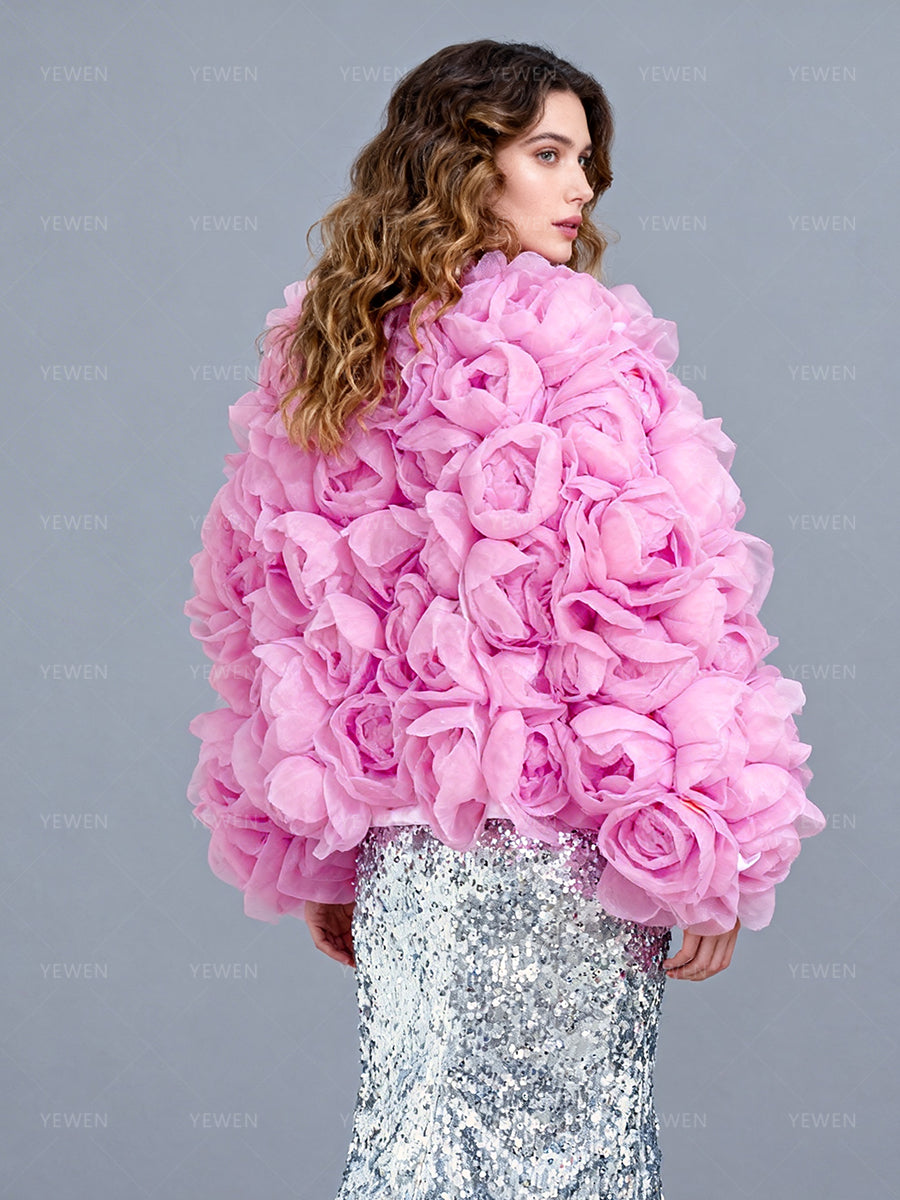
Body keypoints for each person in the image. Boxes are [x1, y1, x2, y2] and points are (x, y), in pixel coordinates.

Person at [184, 39, 826, 1199]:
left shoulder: (331, 354)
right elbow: (659, 611)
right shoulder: (580, 340)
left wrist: (326, 852)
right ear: (464, 164)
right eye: (549, 155)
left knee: (414, 1153)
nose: (583, 187)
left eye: (586, 162)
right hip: (564, 860)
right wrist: (709, 846)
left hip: (411, 867)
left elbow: (284, 627)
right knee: (571, 1165)